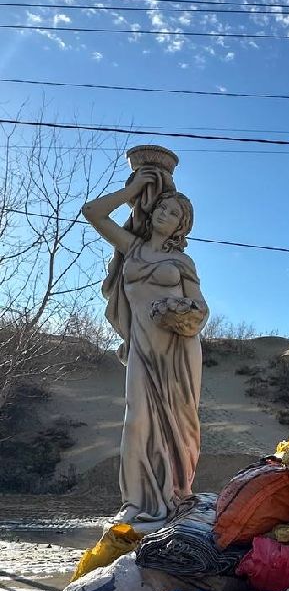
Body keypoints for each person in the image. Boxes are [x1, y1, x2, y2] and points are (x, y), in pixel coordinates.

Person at [82, 168, 209, 527]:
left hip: (178, 349)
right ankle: (136, 502)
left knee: (180, 425)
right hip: (142, 346)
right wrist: (136, 188)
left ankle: (176, 493)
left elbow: (200, 307)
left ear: (181, 227)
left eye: (173, 214)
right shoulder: (132, 248)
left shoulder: (183, 262)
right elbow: (93, 212)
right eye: (162, 208)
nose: (163, 215)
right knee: (137, 420)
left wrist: (181, 311)